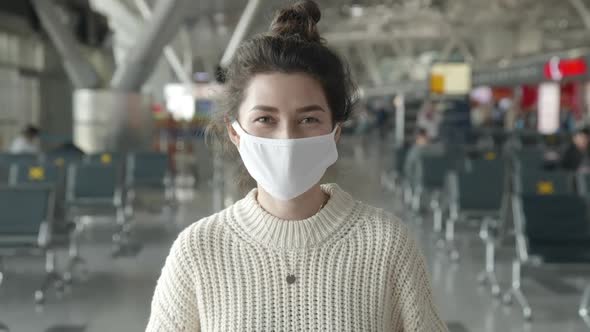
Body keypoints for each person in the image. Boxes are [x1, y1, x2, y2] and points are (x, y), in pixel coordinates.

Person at [146, 1, 447, 331]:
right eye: (265, 119)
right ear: (235, 132)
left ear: (335, 132)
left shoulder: (386, 245)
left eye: (308, 118)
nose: (287, 138)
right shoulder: (198, 251)